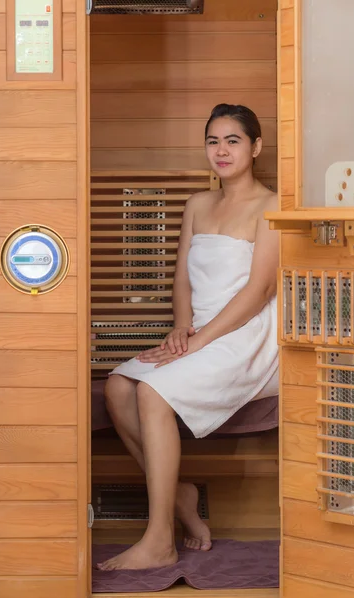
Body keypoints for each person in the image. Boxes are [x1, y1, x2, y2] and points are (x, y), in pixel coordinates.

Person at [98, 104, 279, 572]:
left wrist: (200, 343)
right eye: (213, 141)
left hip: (247, 334)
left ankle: (160, 539)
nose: (221, 150)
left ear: (255, 147)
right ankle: (179, 497)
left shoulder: (272, 206)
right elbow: (182, 277)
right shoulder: (198, 204)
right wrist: (182, 328)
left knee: (154, 392)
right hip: (199, 330)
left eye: (233, 140)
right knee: (119, 386)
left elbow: (259, 292)